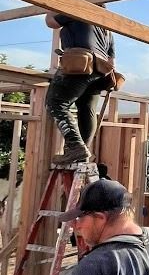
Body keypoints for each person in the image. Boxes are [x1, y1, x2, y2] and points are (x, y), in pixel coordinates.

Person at [45, 12, 118, 164]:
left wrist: (51, 9)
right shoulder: (107, 30)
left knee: (56, 103)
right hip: (100, 72)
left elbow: (51, 22)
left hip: (81, 63)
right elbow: (112, 61)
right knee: (87, 111)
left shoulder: (80, 11)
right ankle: (81, 153)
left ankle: (76, 148)